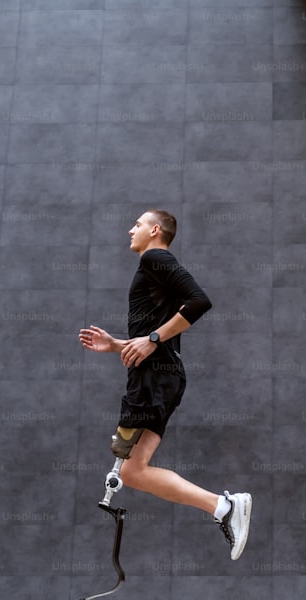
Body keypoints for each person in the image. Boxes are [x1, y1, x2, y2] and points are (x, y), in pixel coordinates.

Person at [78, 209, 252, 560]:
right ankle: (223, 507)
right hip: (158, 374)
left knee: (127, 462)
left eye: (138, 224)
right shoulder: (152, 266)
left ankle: (224, 507)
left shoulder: (155, 257)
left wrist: (152, 339)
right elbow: (154, 333)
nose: (131, 229)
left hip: (154, 376)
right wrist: (119, 345)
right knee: (133, 470)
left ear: (155, 230)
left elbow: (199, 301)